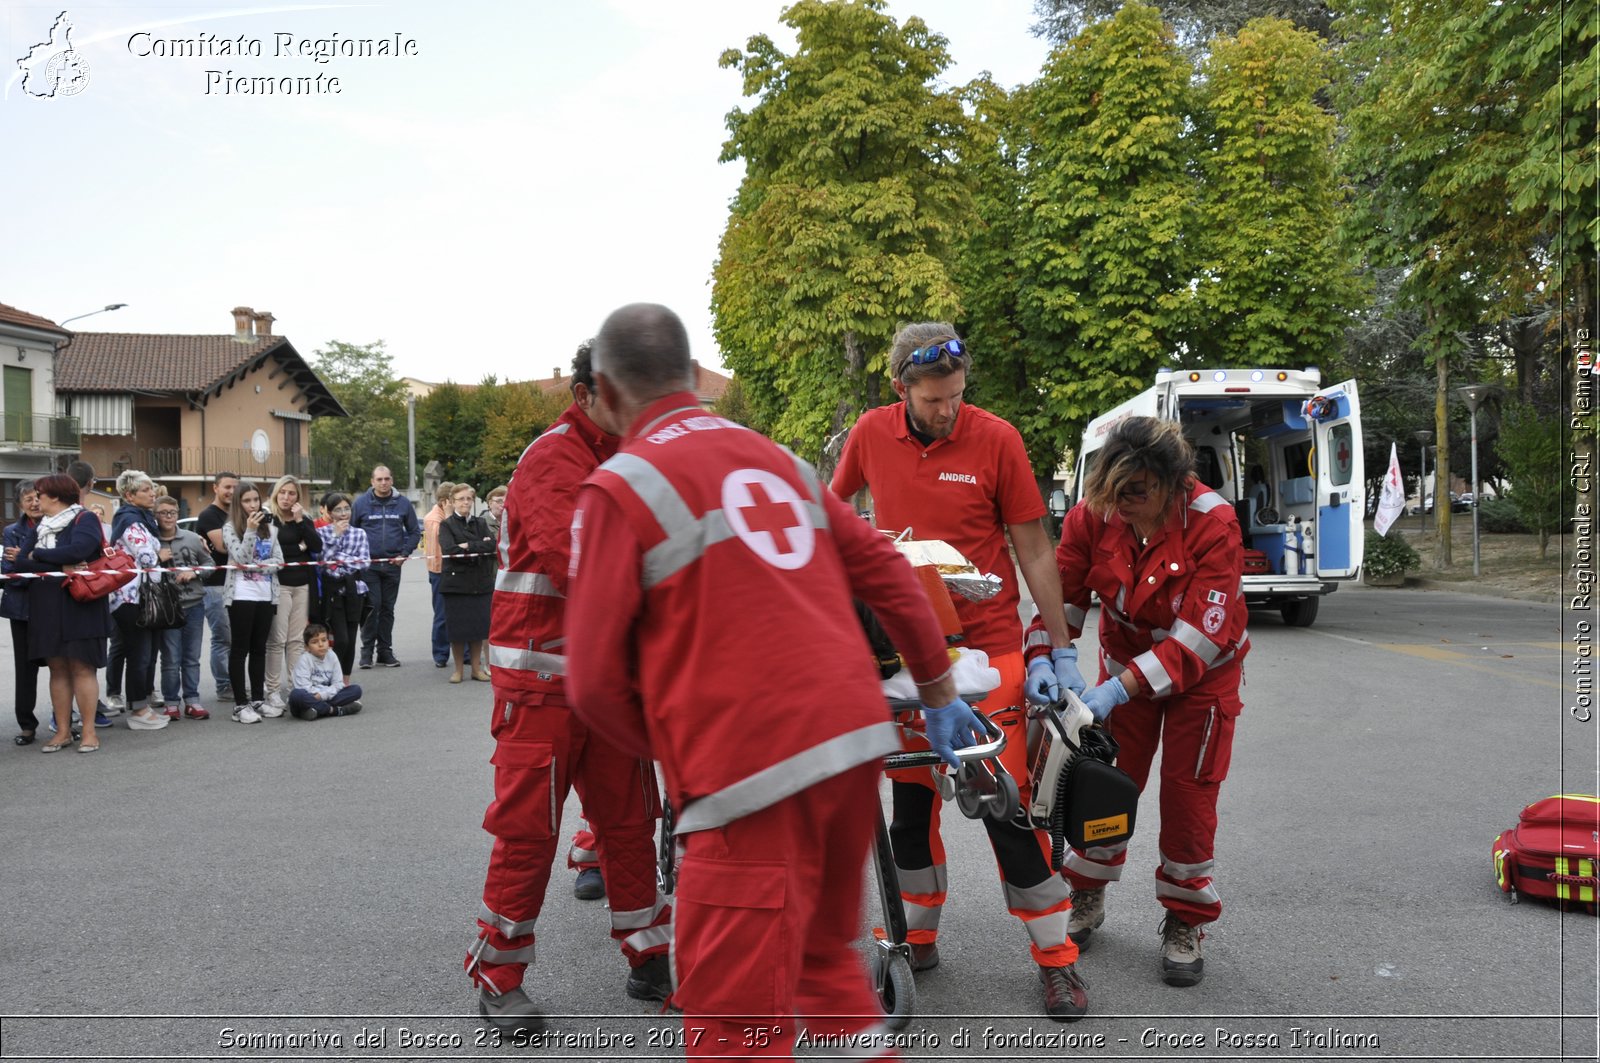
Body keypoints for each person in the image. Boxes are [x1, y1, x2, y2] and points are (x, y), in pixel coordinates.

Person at [566, 303, 980, 1056]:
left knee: (733, 1022)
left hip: (745, 778)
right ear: (695, 378)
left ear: (604, 389)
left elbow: (591, 682)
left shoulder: (620, 486)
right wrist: (940, 691)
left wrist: (683, 750)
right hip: (852, 749)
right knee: (824, 967)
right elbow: (889, 569)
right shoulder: (777, 460)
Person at [829, 322, 1087, 1019]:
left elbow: (1034, 548)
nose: (948, 410)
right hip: (910, 655)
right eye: (935, 399)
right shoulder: (870, 436)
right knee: (910, 806)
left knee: (1006, 804)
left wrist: (1058, 646)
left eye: (957, 396)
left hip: (991, 648)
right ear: (901, 388)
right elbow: (835, 513)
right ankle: (912, 935)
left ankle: (1056, 958)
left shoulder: (996, 438)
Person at [466, 340, 677, 1035]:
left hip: (608, 684)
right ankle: (498, 974)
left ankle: (648, 952)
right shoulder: (555, 458)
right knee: (529, 831)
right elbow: (581, 561)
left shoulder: (632, 458)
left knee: (628, 821)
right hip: (541, 683)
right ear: (586, 394)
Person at [1024, 416, 1249, 988]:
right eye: (1114, 491)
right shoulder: (1094, 513)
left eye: (1137, 492)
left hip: (1203, 678)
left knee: (1188, 792)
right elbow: (1063, 596)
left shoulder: (1213, 523)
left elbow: (1198, 639)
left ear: (1173, 483)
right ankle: (1088, 892)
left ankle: (1184, 919)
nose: (1123, 504)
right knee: (1103, 780)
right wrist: (1045, 656)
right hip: (1125, 669)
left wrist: (1113, 689)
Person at [13, 474, 115, 752]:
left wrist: (41, 556)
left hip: (80, 602)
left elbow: (81, 549)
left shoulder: (85, 519)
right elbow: (20, 561)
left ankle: (90, 732)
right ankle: (62, 731)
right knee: (57, 668)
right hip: (46, 604)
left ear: (55, 496)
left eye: (40, 494)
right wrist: (60, 564)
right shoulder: (41, 525)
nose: (36, 500)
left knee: (82, 667)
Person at [107, 470, 172, 732]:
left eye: (152, 488)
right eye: (145, 489)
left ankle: (141, 705)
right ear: (129, 495)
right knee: (139, 655)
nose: (152, 493)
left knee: (145, 654)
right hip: (130, 598)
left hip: (141, 597)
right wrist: (160, 552)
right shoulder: (130, 520)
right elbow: (146, 558)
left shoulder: (142, 519)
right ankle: (138, 709)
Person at [223, 480, 283, 724]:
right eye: (246, 501)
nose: (252, 505)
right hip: (241, 595)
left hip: (265, 595)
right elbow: (241, 558)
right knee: (240, 649)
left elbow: (278, 560)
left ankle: (258, 699)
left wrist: (263, 566)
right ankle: (240, 705)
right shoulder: (230, 528)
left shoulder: (271, 529)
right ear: (239, 504)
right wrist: (249, 530)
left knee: (259, 648)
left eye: (255, 500)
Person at [262, 475, 322, 711]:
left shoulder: (303, 518)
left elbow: (316, 546)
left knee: (297, 640)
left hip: (302, 584)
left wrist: (300, 523)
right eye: (283, 492)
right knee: (277, 640)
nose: (287, 498)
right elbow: (272, 551)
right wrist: (298, 547)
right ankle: (272, 690)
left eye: (292, 493)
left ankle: (297, 687)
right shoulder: (269, 518)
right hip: (278, 584)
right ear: (276, 493)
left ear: (298, 496)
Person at [352, 465, 419, 668]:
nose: (383, 483)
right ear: (372, 482)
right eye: (379, 479)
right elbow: (352, 532)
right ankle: (366, 652)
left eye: (387, 479)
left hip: (392, 565)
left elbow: (415, 532)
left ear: (392, 480)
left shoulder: (403, 504)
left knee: (388, 609)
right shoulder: (361, 503)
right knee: (373, 607)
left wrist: (404, 554)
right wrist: (358, 557)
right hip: (369, 566)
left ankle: (385, 651)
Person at [151, 495, 211, 720]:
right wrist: (156, 558)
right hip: (167, 607)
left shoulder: (192, 538)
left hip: (194, 604)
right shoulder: (151, 540)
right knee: (171, 657)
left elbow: (210, 564)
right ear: (155, 515)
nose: (168, 517)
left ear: (179, 514)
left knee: (192, 657)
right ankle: (171, 702)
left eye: (173, 513)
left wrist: (194, 572)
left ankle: (193, 700)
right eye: (163, 513)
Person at [68, 461, 116, 729]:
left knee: (73, 667)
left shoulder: (79, 517)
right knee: (82, 665)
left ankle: (84, 713)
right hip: (85, 596)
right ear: (92, 483)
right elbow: (79, 552)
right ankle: (78, 718)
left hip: (84, 594)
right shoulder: (85, 518)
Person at [438, 483, 493, 683]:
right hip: (456, 584)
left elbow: (491, 545)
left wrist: (468, 545)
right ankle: (458, 670)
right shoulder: (447, 525)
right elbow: (450, 550)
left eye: (468, 498)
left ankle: (476, 670)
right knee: (458, 630)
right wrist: (477, 547)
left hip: (480, 582)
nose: (465, 502)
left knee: (478, 629)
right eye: (461, 499)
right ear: (452, 502)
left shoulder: (480, 522)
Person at [316, 492, 371, 685]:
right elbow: (323, 562)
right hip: (333, 592)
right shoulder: (322, 533)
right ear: (330, 513)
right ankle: (332, 678)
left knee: (352, 639)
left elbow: (364, 563)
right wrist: (335, 536)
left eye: (346, 508)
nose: (343, 513)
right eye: (338, 510)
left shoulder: (359, 533)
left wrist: (339, 561)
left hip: (355, 590)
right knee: (341, 640)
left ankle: (345, 681)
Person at [194, 471, 239, 702]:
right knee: (223, 638)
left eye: (234, 487)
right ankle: (224, 686)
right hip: (215, 585)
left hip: (237, 582)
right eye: (227, 487)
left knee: (235, 637)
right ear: (215, 488)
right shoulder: (209, 515)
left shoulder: (235, 514)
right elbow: (223, 547)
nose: (231, 491)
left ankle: (234, 681)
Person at [4, 480, 42, 744]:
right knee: (25, 669)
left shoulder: (55, 525)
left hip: (53, 607)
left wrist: (25, 559)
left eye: (38, 497)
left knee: (62, 667)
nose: (35, 503)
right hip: (22, 610)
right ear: (20, 505)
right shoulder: (12, 532)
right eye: (28, 498)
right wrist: (28, 565)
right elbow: (9, 575)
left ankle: (64, 720)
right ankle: (26, 725)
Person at [288, 623, 363, 720]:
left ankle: (312, 711)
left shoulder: (332, 656)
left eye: (324, 640)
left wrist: (323, 695)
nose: (320, 644)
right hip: (310, 696)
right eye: (314, 642)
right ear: (307, 647)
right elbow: (304, 687)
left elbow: (338, 684)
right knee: (296, 695)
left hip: (322, 697)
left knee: (356, 690)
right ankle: (334, 711)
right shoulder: (304, 660)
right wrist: (319, 696)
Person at [423, 480, 456, 667]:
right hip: (440, 571)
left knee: (462, 613)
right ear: (445, 501)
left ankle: (466, 653)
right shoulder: (432, 519)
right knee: (442, 615)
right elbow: (446, 539)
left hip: (457, 570)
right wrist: (450, 517)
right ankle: (441, 654)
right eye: (455, 499)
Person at [483, 485, 507, 551]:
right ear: (490, 503)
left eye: (507, 501)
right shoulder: (481, 523)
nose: (504, 504)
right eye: (499, 501)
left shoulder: (513, 523)